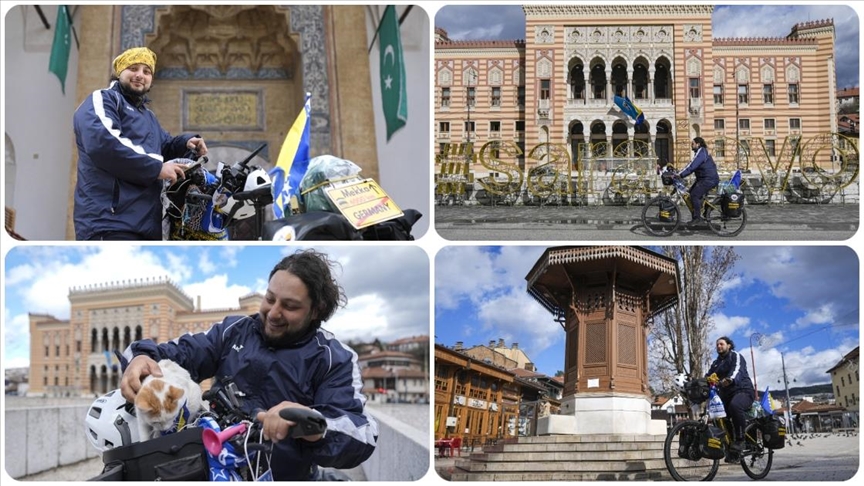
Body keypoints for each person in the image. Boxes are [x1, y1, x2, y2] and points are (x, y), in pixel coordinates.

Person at [119, 249, 378, 480]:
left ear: (316, 310)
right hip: (215, 469)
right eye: (270, 298)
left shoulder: (336, 358)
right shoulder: (233, 330)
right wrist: (141, 358)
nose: (274, 313)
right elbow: (176, 352)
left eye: (290, 306)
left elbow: (362, 436)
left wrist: (309, 423)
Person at [73, 46, 208, 240]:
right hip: (109, 222)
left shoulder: (148, 116)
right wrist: (156, 168)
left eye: (146, 71)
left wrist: (187, 142)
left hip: (146, 226)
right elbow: (104, 143)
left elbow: (164, 147)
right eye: (133, 69)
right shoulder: (104, 99)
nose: (140, 75)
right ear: (120, 72)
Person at [706, 336, 755, 453]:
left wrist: (730, 379)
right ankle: (731, 448)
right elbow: (708, 377)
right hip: (726, 395)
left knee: (735, 406)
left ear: (729, 345)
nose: (718, 346)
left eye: (721, 344)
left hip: (743, 391)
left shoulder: (735, 356)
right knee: (720, 417)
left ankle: (740, 440)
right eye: (717, 345)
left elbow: (737, 370)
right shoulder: (716, 363)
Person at [677, 137, 719, 227]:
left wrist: (680, 175)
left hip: (708, 179)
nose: (691, 145)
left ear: (698, 144)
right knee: (690, 193)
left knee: (694, 195)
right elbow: (690, 164)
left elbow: (692, 166)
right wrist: (679, 172)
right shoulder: (700, 152)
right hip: (704, 179)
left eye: (692, 143)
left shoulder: (701, 152)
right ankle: (704, 210)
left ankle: (697, 218)